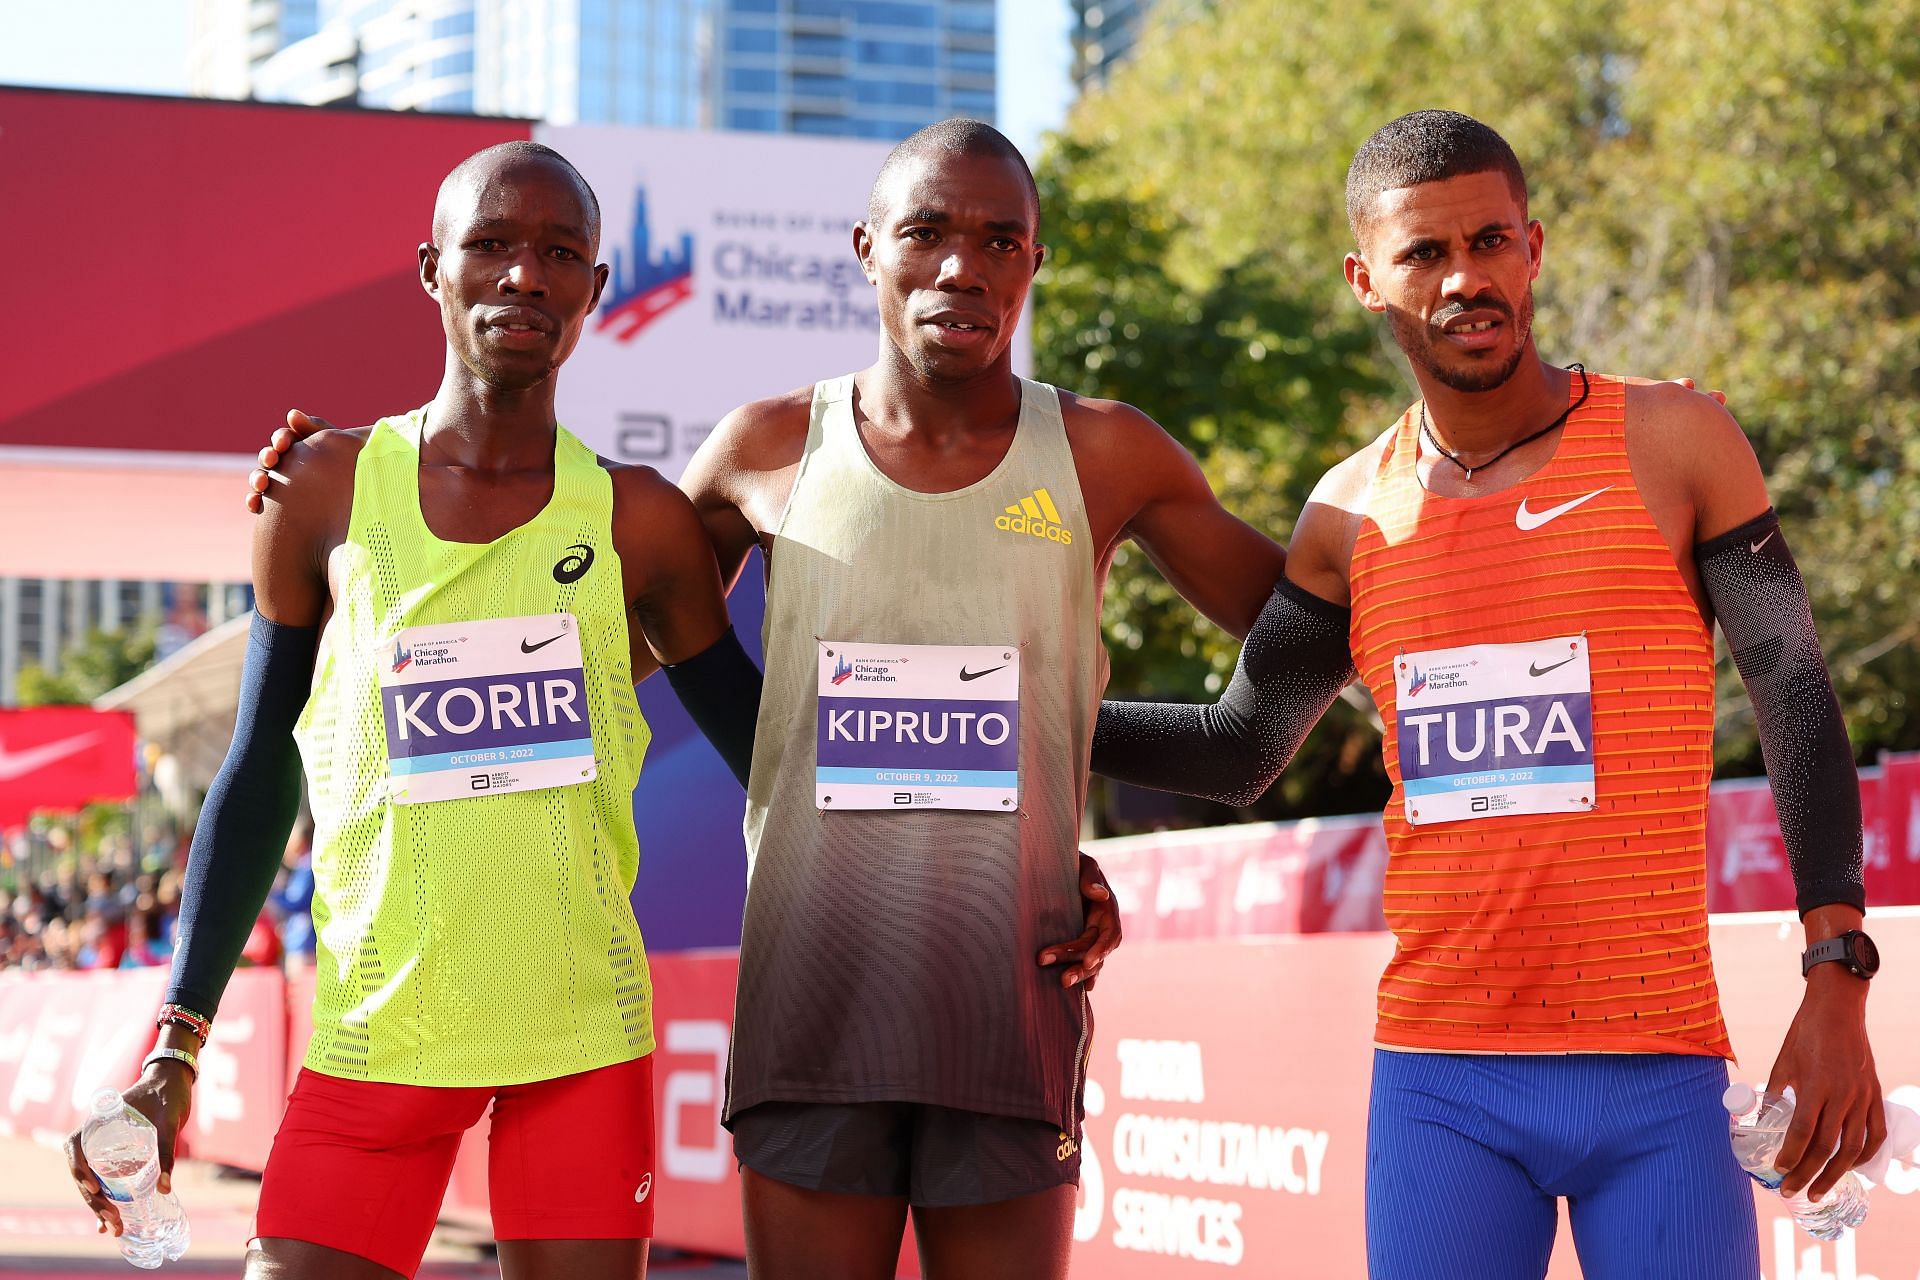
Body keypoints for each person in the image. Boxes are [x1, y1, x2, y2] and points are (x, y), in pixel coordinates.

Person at [1090, 110, 1883, 1278]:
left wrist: (1839, 970)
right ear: (1367, 278)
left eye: (1490, 241)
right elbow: (1242, 743)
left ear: (1534, 247)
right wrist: (1023, 722)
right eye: (1424, 254)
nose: (1466, 278)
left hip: (1659, 1070)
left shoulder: (1678, 440)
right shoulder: (1347, 515)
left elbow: (1797, 696)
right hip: (1441, 1081)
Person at [66, 140, 762, 1280]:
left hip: (580, 1035)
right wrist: (176, 1042)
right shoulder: (323, 488)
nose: (524, 276)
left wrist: (1022, 853)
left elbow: (772, 755)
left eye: (559, 254)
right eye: (491, 245)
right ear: (432, 268)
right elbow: (258, 771)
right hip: (381, 1027)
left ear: (594, 287)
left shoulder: (639, 521)